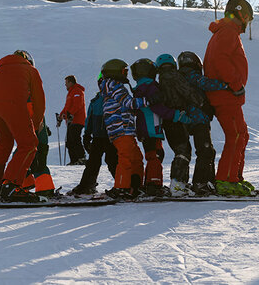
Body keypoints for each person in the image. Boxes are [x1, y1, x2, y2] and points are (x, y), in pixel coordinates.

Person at [0, 50, 46, 202]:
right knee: (28, 143)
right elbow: (39, 102)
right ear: (28, 60)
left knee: (4, 142)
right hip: (11, 103)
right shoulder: (30, 70)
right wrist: (36, 126)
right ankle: (11, 186)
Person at [204, 0, 256, 196]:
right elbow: (220, 59)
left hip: (227, 94)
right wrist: (235, 84)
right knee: (235, 135)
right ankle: (226, 180)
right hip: (225, 93)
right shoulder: (227, 32)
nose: (247, 23)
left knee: (241, 134)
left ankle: (235, 177)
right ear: (241, 14)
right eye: (248, 19)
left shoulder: (228, 31)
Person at [131, 58, 194, 197]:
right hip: (152, 127)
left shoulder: (139, 88)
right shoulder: (151, 86)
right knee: (155, 155)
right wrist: (176, 115)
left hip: (144, 128)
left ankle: (150, 183)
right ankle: (153, 184)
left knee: (154, 153)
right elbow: (158, 107)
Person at [155, 53, 214, 196]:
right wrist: (202, 103)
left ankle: (179, 184)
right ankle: (178, 185)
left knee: (181, 151)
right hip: (178, 118)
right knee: (183, 151)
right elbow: (187, 92)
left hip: (169, 120)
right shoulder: (175, 77)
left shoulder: (160, 81)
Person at [177, 50, 228, 195]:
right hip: (199, 119)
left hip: (187, 120)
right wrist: (225, 85)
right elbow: (205, 83)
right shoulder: (191, 75)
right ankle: (201, 183)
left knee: (205, 151)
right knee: (205, 150)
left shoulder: (180, 76)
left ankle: (206, 181)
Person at [99, 59, 147, 200]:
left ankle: (134, 186)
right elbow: (129, 103)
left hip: (123, 129)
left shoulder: (112, 86)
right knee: (126, 158)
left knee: (137, 157)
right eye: (124, 71)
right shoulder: (115, 86)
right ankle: (121, 187)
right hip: (121, 128)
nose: (126, 74)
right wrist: (149, 100)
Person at [69, 76, 118, 195]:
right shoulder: (98, 99)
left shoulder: (102, 99)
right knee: (98, 162)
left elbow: (90, 119)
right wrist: (86, 135)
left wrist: (87, 135)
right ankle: (87, 185)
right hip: (102, 136)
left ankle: (122, 184)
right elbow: (89, 119)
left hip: (106, 136)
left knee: (105, 161)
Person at [58, 75, 87, 165]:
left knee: (75, 139)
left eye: (66, 83)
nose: (65, 85)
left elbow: (77, 105)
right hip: (71, 121)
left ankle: (81, 158)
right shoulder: (71, 93)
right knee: (70, 141)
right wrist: (60, 117)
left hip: (77, 120)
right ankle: (75, 160)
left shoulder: (77, 91)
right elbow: (67, 107)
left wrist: (70, 114)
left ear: (71, 82)